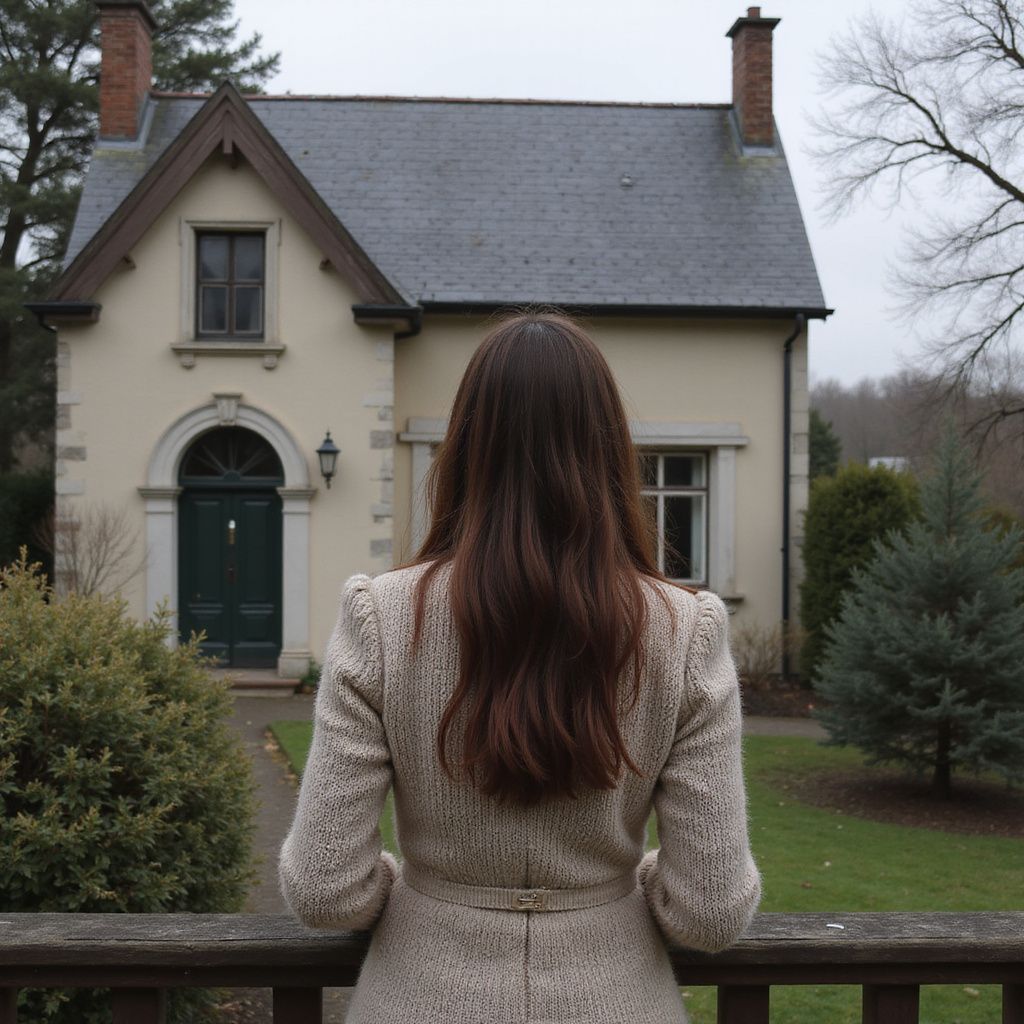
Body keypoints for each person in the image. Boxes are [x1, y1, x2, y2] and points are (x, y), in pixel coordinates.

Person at [278, 309, 762, 1023]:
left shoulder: (379, 617)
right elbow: (711, 911)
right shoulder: (684, 630)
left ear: (467, 447)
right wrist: (630, 881)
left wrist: (420, 887)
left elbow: (325, 891)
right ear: (609, 453)